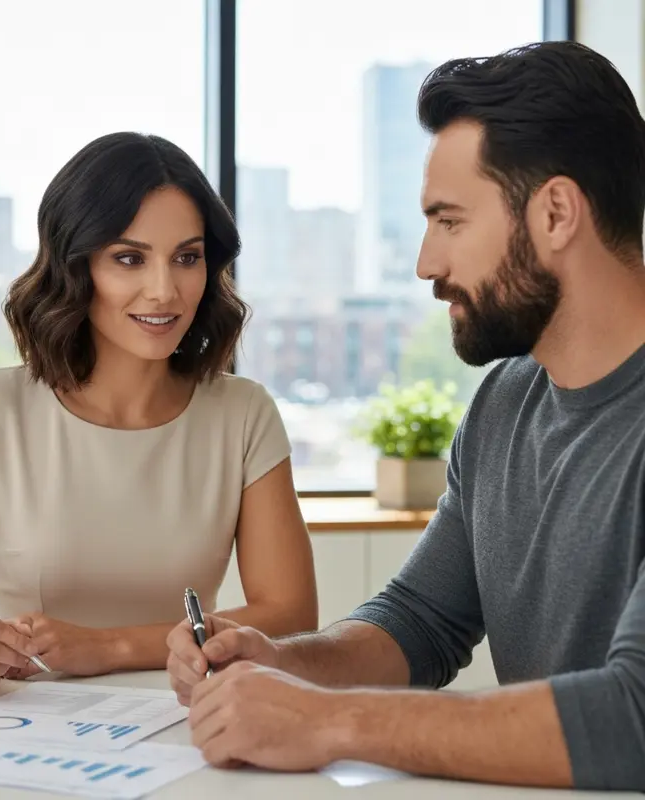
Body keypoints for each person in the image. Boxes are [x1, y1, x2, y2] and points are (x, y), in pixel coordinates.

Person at [166, 41, 645, 792]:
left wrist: (327, 722)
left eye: (449, 221)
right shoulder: (506, 402)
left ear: (556, 213)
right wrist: (284, 665)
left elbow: (633, 720)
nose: (425, 263)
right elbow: (422, 620)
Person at [0, 132, 318, 699]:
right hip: (26, 728)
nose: (164, 290)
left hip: (186, 721)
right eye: (129, 258)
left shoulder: (244, 415)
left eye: (187, 258)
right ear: (77, 266)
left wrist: (112, 647)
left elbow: (292, 617)